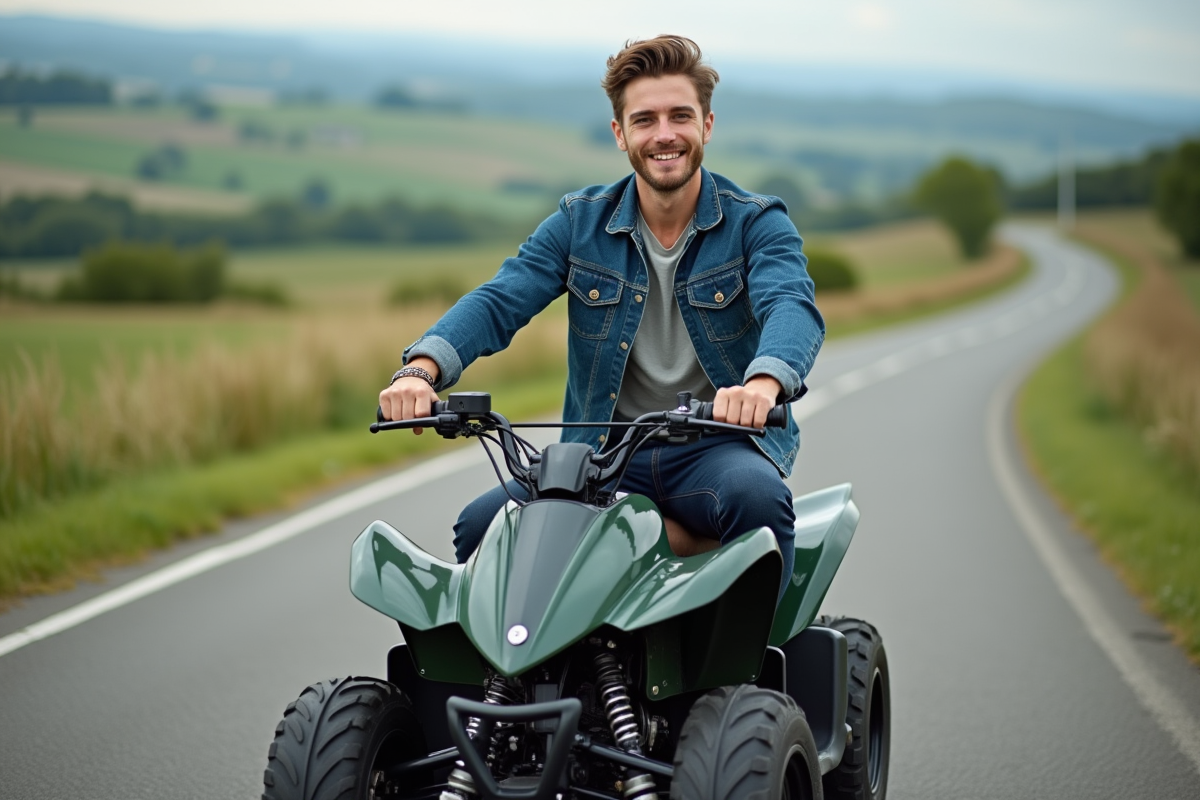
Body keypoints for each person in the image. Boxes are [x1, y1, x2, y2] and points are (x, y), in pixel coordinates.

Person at [379, 35, 824, 600]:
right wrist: (420, 370)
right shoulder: (578, 224)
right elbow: (499, 299)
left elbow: (790, 304)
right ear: (620, 134)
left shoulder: (756, 223)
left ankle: (754, 655)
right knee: (482, 528)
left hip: (716, 450)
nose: (664, 134)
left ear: (706, 125)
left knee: (757, 501)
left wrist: (763, 384)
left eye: (680, 116)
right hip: (605, 456)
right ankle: (532, 669)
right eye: (645, 120)